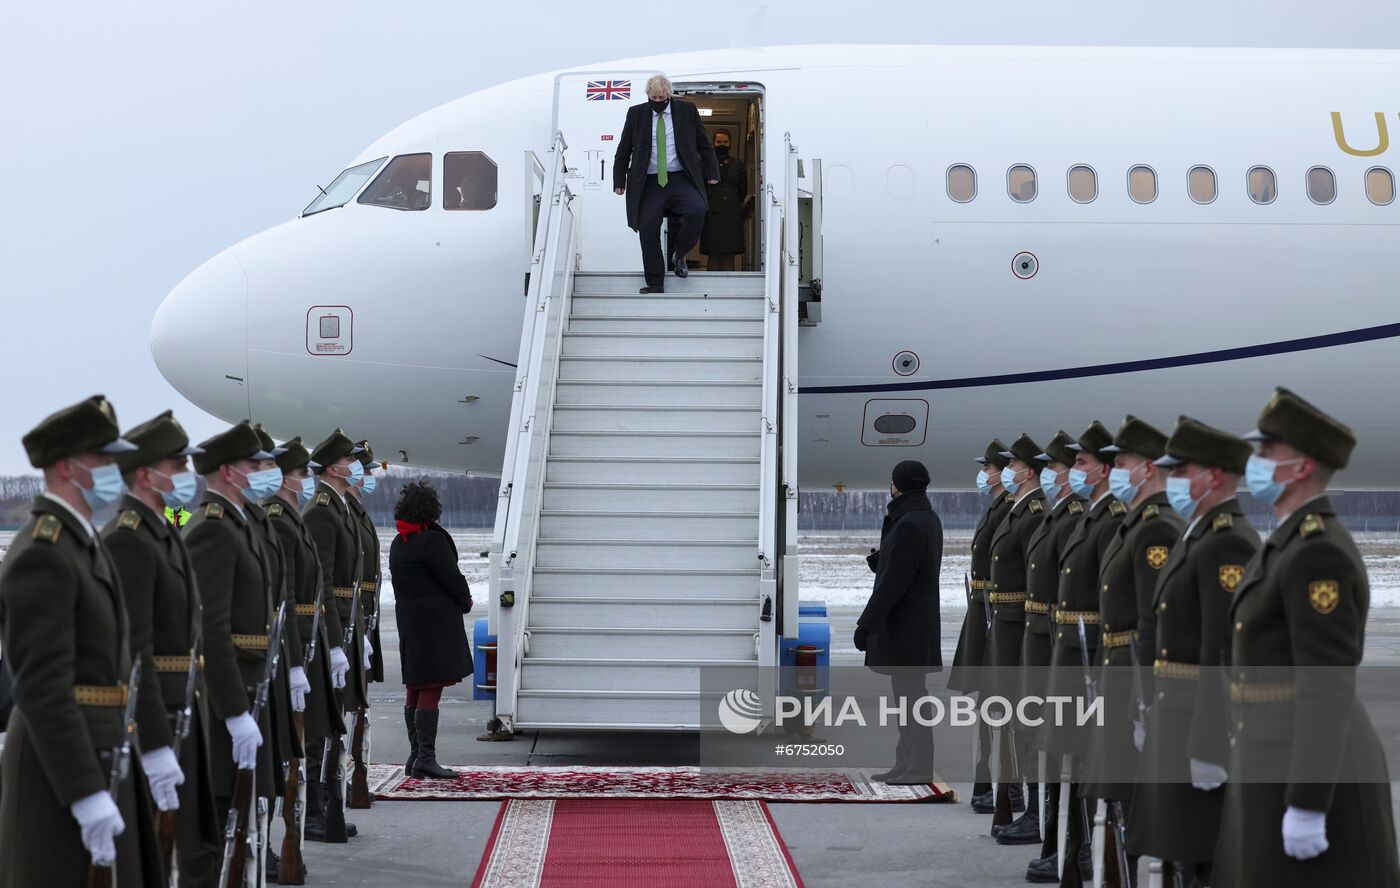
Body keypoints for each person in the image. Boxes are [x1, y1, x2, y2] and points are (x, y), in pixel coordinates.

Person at [1213, 388, 1400, 887]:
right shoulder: (1286, 541)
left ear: (1301, 466)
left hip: (1312, 771)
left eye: (1266, 452)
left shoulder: (1319, 553)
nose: (1253, 463)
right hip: (1274, 757)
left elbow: (1325, 687)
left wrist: (1308, 802)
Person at [0, 395, 164, 886]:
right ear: (70, 468)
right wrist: (83, 791)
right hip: (60, 772)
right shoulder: (44, 553)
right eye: (105, 459)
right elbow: (41, 688)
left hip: (103, 751)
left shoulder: (81, 541)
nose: (117, 469)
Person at [1126, 417, 1259, 888]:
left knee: (1203, 853)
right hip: (1174, 714)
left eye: (1183, 470)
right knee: (1181, 849)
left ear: (1216, 476)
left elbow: (1221, 653)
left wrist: (1209, 744)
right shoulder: (1197, 534)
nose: (1174, 480)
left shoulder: (1228, 542)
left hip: (1198, 723)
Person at [102, 410, 220, 886]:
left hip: (183, 705)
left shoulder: (163, 531)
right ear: (146, 474)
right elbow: (135, 651)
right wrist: (152, 742)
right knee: (157, 851)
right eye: (177, 467)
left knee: (199, 839)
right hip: (160, 716)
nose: (188, 477)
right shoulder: (129, 540)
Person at [1082, 416, 1182, 887]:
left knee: (1131, 801)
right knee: (1113, 797)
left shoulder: (1155, 529)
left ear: (1147, 468)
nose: (1114, 470)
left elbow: (1151, 623)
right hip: (1115, 673)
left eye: (1121, 463)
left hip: (1131, 680)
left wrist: (1145, 703)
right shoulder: (1136, 525)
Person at [182, 421, 278, 859]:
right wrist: (234, 711)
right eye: (254, 464)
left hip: (252, 681)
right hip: (228, 691)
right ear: (226, 471)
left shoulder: (239, 523)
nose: (264, 470)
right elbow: (211, 630)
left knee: (245, 817)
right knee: (223, 819)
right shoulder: (212, 527)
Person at [1036, 420, 1124, 886]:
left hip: (1089, 657)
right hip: (1070, 651)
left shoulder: (1110, 520)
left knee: (1082, 761)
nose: (1068, 471)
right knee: (1066, 757)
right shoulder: (1091, 516)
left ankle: (1081, 851)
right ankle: (1068, 847)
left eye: (1078, 463)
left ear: (1103, 469)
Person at [1002, 432, 1086, 865]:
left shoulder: (1073, 517)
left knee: (1060, 746)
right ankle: (1040, 816)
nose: (1050, 473)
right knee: (1036, 734)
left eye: (1056, 467)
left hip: (1057, 641)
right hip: (1039, 638)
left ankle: (1059, 829)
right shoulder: (1058, 515)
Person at [854, 460, 942, 784]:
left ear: (898, 485)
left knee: (911, 701)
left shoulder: (907, 523)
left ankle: (917, 768)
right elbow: (906, 568)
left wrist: (866, 624)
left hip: (907, 629)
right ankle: (906, 763)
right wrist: (882, 560)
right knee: (908, 700)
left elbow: (895, 583)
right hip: (916, 628)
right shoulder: (924, 518)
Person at [246, 425, 306, 880]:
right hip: (248, 672)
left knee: (278, 764)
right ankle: (258, 848)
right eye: (265, 465)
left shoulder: (266, 521)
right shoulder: (239, 525)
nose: (279, 472)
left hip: (279, 655)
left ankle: (271, 846)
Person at [947, 440, 1014, 813]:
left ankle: (997, 783)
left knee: (996, 707)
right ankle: (990, 781)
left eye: (989, 468)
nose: (984, 474)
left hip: (997, 614)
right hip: (985, 612)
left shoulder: (1011, 510)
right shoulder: (998, 508)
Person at [304, 429, 365, 842]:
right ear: (331, 467)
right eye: (349, 459)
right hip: (331, 630)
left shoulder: (340, 506)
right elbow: (322, 582)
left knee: (334, 727)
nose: (355, 465)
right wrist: (332, 642)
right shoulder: (322, 511)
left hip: (346, 624)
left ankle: (327, 803)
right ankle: (313, 809)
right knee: (319, 728)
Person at [390, 480, 473, 780]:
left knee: (416, 685)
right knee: (431, 688)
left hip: (410, 623)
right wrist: (466, 601)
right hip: (435, 625)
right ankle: (426, 757)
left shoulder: (400, 542)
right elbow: (452, 577)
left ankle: (415, 756)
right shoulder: (432, 540)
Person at [986, 434, 1047, 835]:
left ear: (1028, 470)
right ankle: (1016, 797)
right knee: (1007, 715)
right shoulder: (1017, 509)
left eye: (1012, 464)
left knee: (1023, 718)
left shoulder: (1034, 512)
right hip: (1006, 623)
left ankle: (1028, 805)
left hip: (1021, 624)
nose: (1006, 471)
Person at [613, 74, 720, 293]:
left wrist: (712, 172)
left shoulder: (687, 111)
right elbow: (624, 150)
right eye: (653, 97)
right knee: (647, 227)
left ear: (668, 95)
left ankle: (679, 253)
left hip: (680, 177)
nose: (657, 101)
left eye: (661, 97)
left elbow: (704, 145)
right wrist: (618, 180)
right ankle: (655, 282)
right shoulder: (636, 114)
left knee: (698, 209)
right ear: (648, 95)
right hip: (650, 181)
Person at [701, 128, 749, 271]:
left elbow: (743, 189)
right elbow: (701, 186)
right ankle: (710, 289)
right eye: (719, 142)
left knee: (729, 254)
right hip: (712, 213)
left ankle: (730, 289)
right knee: (713, 253)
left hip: (731, 214)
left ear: (730, 144)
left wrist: (732, 203)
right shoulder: (705, 163)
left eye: (725, 142)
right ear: (713, 143)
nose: (722, 144)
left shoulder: (738, 164)